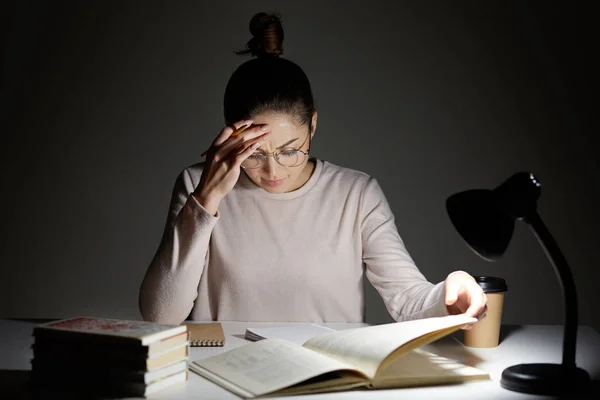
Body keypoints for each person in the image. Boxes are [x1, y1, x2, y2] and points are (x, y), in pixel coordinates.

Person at [138, 12, 487, 327]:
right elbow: (160, 314)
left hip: (325, 379)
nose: (273, 170)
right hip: (223, 379)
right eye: (254, 154)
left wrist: (449, 290)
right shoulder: (197, 185)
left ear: (313, 126)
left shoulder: (356, 194)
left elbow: (408, 300)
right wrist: (206, 199)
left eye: (290, 150)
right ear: (228, 134)